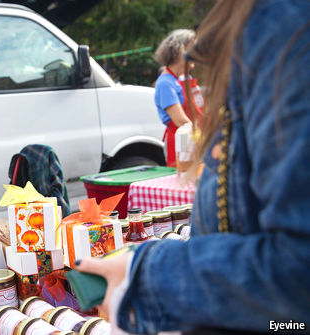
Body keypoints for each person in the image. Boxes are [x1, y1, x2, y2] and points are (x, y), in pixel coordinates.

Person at [76, 0, 310, 333]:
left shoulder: (281, 23)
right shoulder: (170, 80)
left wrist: (147, 276)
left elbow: (296, 269)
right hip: (179, 135)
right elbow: (182, 118)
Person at [153, 29, 204, 167]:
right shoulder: (165, 83)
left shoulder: (182, 79)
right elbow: (181, 121)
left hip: (192, 139)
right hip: (180, 144)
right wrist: (203, 139)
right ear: (179, 52)